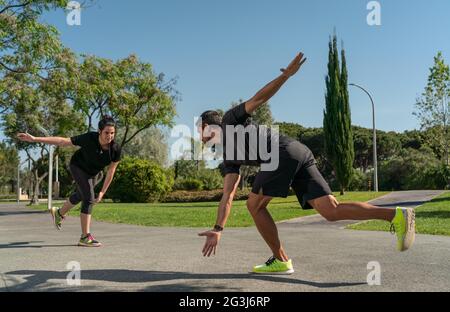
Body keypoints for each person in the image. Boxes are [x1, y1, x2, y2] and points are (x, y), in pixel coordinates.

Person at [197, 53, 415, 274]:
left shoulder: (229, 120)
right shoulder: (230, 158)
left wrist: (286, 76)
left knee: (254, 205)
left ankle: (280, 259)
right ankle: (396, 215)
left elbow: (258, 99)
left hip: (281, 153)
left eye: (199, 127)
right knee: (331, 211)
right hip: (298, 151)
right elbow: (228, 194)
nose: (198, 133)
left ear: (207, 125)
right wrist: (218, 228)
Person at [17, 116, 122, 247]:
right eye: (107, 132)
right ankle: (85, 237)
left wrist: (102, 192)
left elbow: (111, 171)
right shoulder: (89, 138)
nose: (110, 136)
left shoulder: (116, 149)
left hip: (93, 172)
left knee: (81, 194)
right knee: (88, 197)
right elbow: (63, 141)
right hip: (78, 166)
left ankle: (59, 213)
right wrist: (34, 139)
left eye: (112, 133)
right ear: (100, 131)